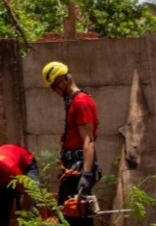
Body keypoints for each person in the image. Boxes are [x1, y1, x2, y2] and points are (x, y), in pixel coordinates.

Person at [42, 61, 100, 226]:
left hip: (79, 167)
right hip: (72, 165)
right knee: (68, 215)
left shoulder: (81, 102)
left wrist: (86, 176)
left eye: (54, 87)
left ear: (64, 82)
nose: (54, 91)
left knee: (76, 216)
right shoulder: (72, 101)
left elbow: (88, 140)